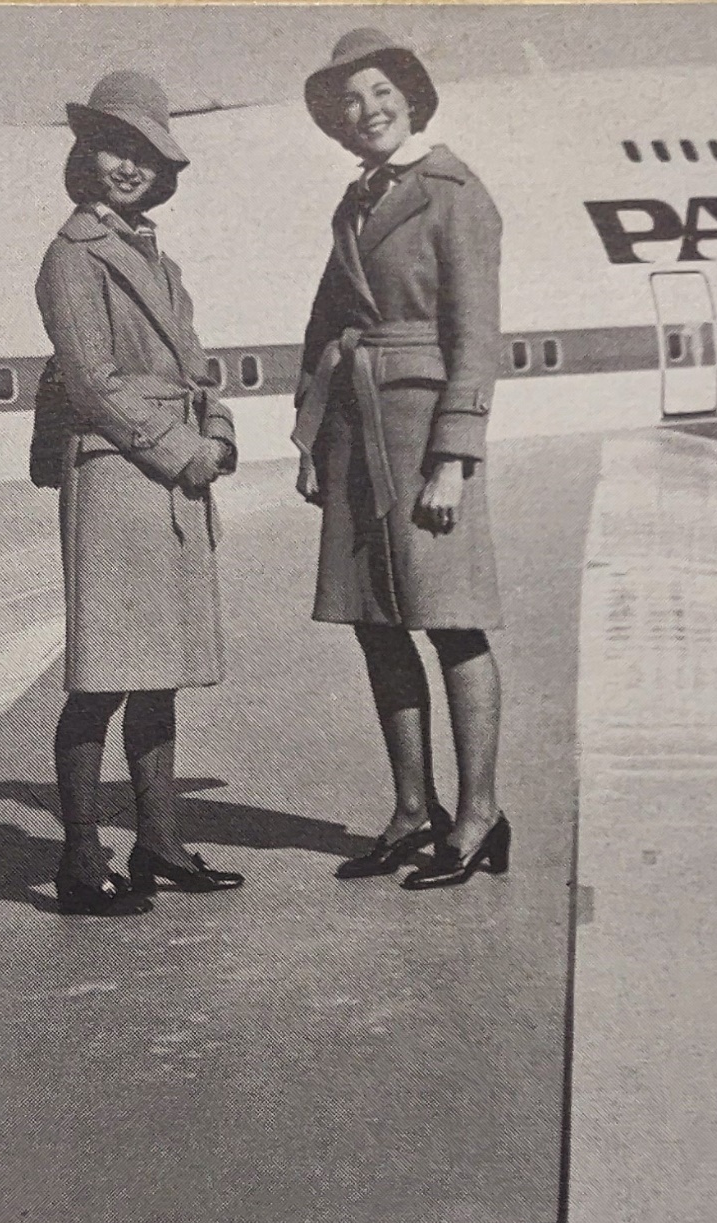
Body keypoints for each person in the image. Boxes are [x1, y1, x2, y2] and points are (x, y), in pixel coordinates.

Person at [294, 28, 509, 890]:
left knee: (454, 624)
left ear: (410, 97)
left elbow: (476, 337)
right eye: (351, 101)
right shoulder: (355, 204)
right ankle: (412, 810)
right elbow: (323, 328)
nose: (368, 110)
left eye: (381, 93)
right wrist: (310, 440)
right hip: (355, 433)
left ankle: (480, 813)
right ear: (338, 125)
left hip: (424, 436)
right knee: (378, 627)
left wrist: (454, 456)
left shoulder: (455, 192)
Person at [34, 71, 245, 915]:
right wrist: (180, 450)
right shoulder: (71, 255)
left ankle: (158, 843)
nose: (128, 166)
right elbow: (89, 380)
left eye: (145, 154)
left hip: (167, 476)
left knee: (157, 676)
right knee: (102, 680)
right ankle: (81, 861)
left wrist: (220, 430)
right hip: (117, 479)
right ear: (85, 156)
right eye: (114, 146)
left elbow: (194, 365)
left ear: (164, 172)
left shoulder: (161, 258)